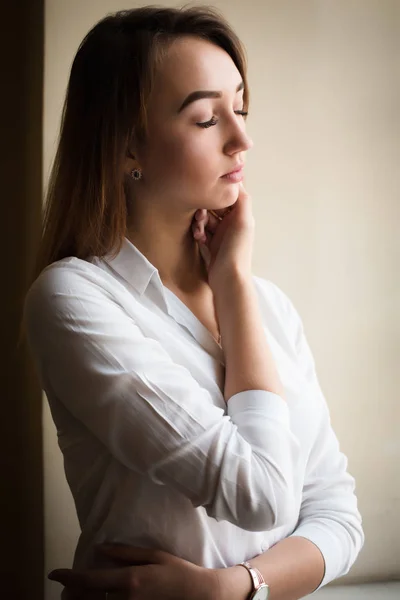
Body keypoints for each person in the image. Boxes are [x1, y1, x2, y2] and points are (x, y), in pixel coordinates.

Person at [23, 6, 364, 600]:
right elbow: (263, 495)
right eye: (207, 118)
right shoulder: (75, 299)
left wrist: (231, 587)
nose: (242, 138)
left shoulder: (268, 306)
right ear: (128, 144)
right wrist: (232, 286)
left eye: (241, 108)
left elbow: (338, 515)